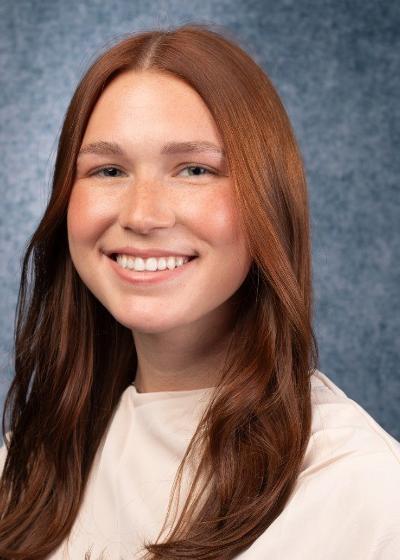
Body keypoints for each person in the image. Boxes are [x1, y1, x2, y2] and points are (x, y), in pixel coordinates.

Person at [0, 23, 399, 560]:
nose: (142, 215)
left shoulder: (367, 497)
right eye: (109, 170)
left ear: (268, 199)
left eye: (194, 169)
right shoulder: (24, 471)